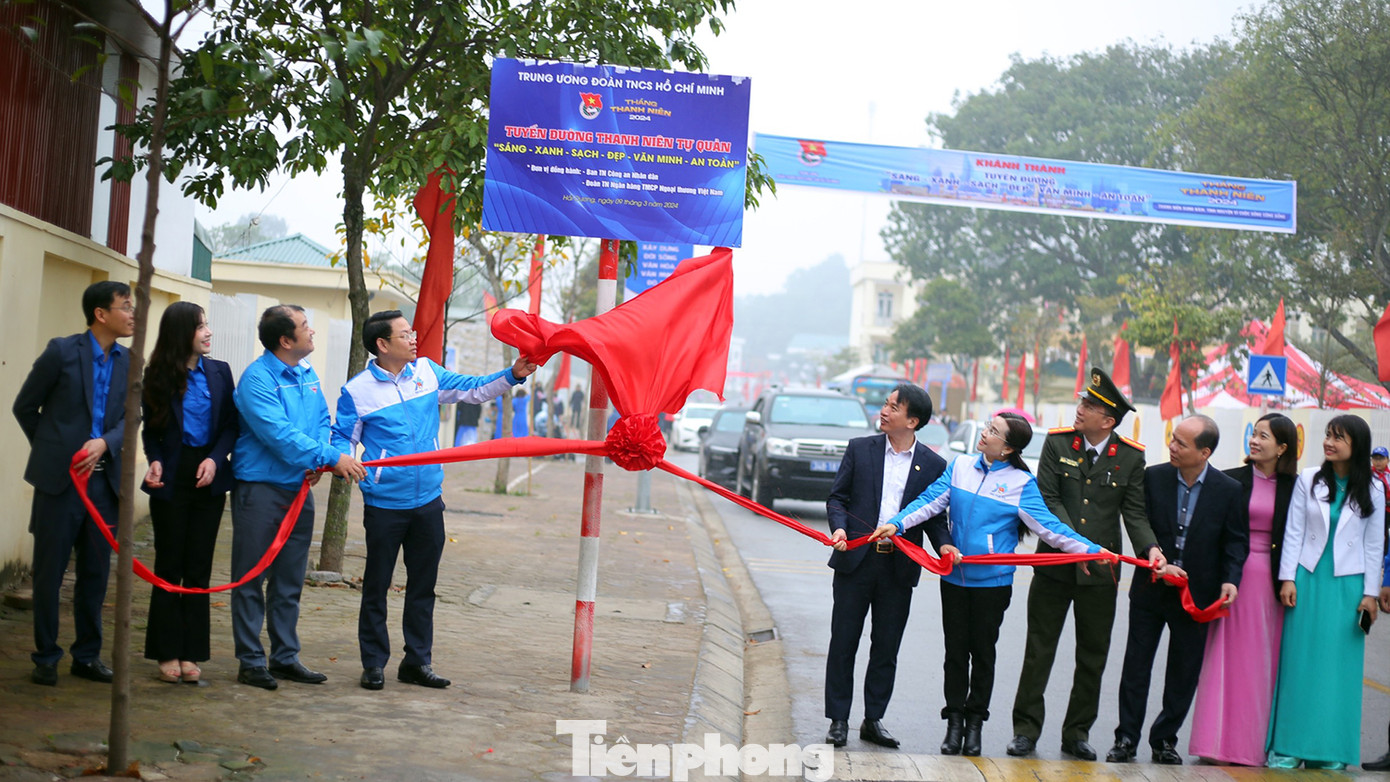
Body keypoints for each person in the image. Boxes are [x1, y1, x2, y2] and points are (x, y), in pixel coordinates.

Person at [869, 412, 1109, 757]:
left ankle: (974, 724)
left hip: (992, 585)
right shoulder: (961, 467)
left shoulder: (1020, 484)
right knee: (955, 653)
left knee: (982, 654)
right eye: (987, 427)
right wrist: (897, 524)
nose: (985, 434)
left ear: (1009, 448)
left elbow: (1051, 529)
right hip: (954, 578)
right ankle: (953, 723)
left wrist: (1088, 549)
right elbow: (929, 502)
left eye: (993, 432)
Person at [333, 311, 535, 690]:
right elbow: (342, 437)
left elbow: (473, 389)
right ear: (382, 344)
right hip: (384, 505)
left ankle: (417, 662)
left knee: (423, 586)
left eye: (412, 331)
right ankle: (374, 663)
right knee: (376, 586)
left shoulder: (426, 372)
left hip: (428, 501)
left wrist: (514, 374)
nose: (414, 338)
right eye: (406, 334)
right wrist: (342, 462)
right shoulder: (357, 391)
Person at [1009, 368, 1165, 761]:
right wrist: (1076, 547)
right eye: (1082, 401)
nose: (1080, 409)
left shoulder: (1130, 457)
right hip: (1054, 566)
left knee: (1092, 655)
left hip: (1101, 573)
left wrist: (1151, 549)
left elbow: (1134, 514)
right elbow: (1047, 501)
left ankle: (1076, 733)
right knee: (1038, 651)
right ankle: (1026, 730)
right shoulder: (1057, 443)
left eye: (1090, 406)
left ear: (1108, 420)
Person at [230, 305, 367, 690]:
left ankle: (285, 656)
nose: (312, 332)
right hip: (261, 490)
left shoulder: (306, 374)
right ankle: (251, 660)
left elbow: (321, 420)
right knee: (251, 577)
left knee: (290, 579)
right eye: (305, 327)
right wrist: (328, 458)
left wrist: (319, 458)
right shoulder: (257, 380)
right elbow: (278, 435)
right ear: (285, 340)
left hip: (297, 489)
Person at [1106, 415, 1248, 766]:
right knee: (1137, 667)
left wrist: (1231, 579)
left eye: (1181, 444)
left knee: (1183, 672)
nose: (1172, 447)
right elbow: (1140, 525)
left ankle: (1165, 740)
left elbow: (1235, 541)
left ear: (1204, 452)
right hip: (1151, 589)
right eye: (1172, 440)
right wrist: (1156, 559)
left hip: (1197, 596)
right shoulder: (1153, 478)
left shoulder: (1228, 489)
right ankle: (1126, 738)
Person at [12, 281, 134, 686]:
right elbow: (26, 406)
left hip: (105, 486)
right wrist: (55, 451)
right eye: (125, 306)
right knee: (49, 573)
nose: (133, 313)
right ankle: (46, 656)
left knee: (96, 575)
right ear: (101, 314)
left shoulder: (131, 362)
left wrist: (105, 443)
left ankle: (87, 655)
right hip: (60, 484)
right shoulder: (61, 352)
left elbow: (131, 419)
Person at [823, 384, 949, 750]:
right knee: (844, 641)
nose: (884, 410)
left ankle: (873, 719)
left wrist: (943, 544)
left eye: (894, 407)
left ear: (912, 421)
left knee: (886, 646)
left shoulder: (934, 464)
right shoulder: (860, 449)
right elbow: (837, 497)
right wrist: (840, 527)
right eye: (885, 404)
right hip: (855, 560)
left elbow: (934, 517)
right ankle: (838, 719)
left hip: (898, 566)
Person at [1267, 415, 1385, 770]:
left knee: (1338, 673)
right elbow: (1293, 531)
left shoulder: (1374, 489)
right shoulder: (1309, 480)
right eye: (1328, 435)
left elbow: (1374, 544)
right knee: (1298, 665)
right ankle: (1287, 747)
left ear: (1357, 445)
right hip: (1308, 579)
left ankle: (1328, 751)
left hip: (1348, 586)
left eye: (1339, 437)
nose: (1329, 442)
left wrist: (1370, 594)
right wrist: (1287, 577)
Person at [1187, 413, 1297, 764]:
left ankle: (1251, 745)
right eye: (1254, 434)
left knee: (1261, 662)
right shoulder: (1230, 480)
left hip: (1274, 581)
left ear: (1282, 447)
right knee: (1224, 656)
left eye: (1264, 436)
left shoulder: (1296, 487)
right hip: (1234, 576)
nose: (1255, 441)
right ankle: (1214, 742)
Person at [140, 302, 238, 684]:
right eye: (201, 327)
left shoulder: (220, 372)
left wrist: (216, 460)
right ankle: (165, 652)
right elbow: (152, 430)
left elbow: (231, 425)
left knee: (198, 565)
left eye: (207, 325)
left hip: (208, 476)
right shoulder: (158, 375)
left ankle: (191, 651)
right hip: (172, 476)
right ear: (183, 334)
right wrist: (155, 460)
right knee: (169, 566)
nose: (208, 332)